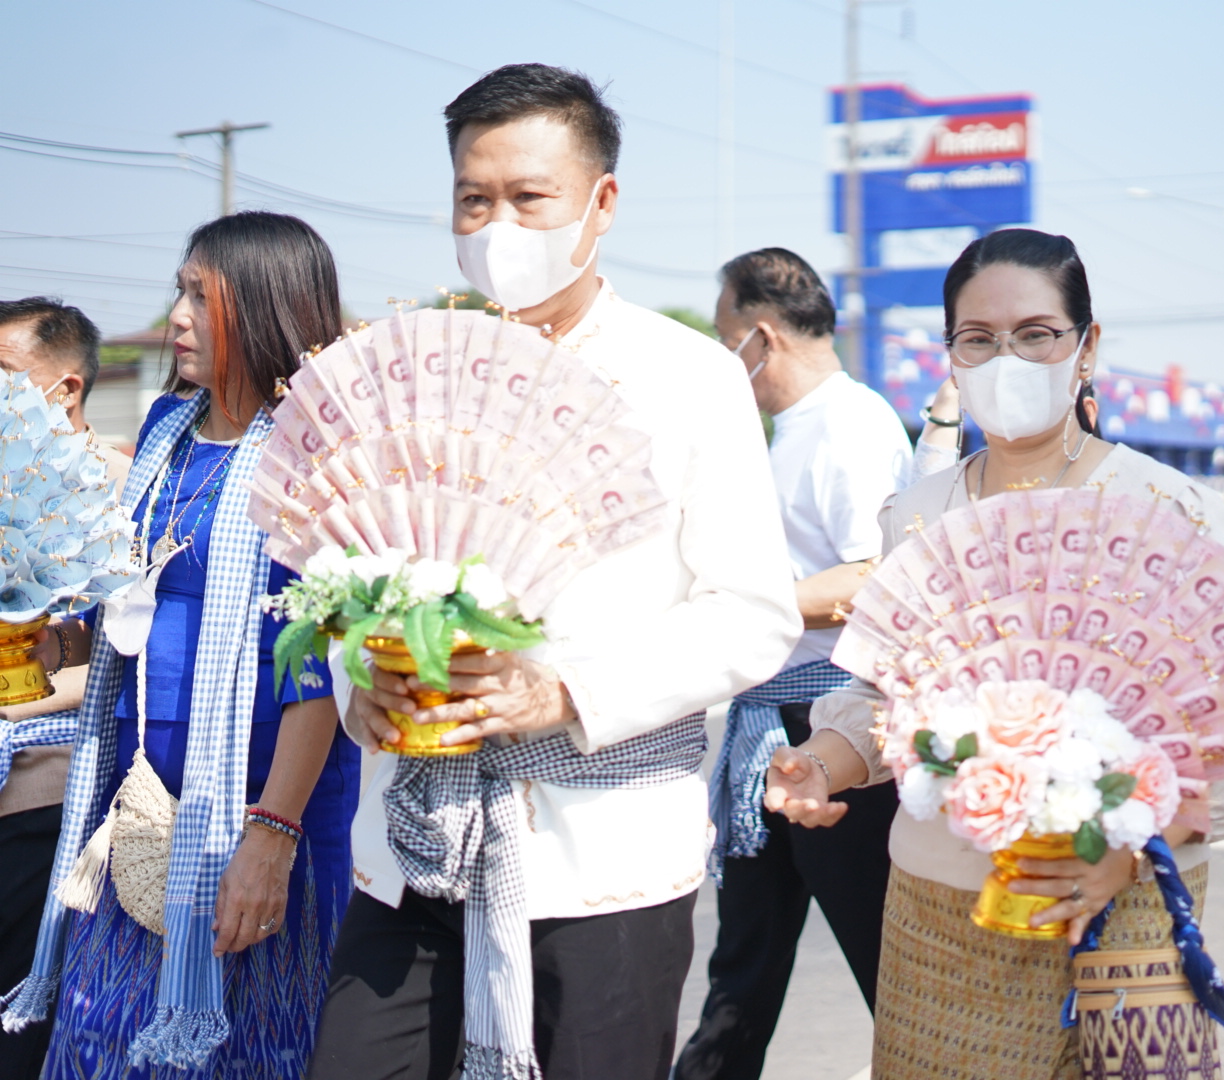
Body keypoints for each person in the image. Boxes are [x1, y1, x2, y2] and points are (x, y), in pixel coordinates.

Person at [310, 65, 800, 1080]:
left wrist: (563, 690)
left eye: (530, 199)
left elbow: (752, 615)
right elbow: (343, 575)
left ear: (600, 202)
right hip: (412, 840)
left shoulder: (687, 378)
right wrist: (360, 677)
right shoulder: (413, 371)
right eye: (473, 200)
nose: (500, 227)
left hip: (601, 864)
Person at [765, 229, 1224, 1079]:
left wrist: (1126, 847)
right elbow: (873, 700)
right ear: (952, 358)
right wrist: (821, 763)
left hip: (1130, 908)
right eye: (979, 339)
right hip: (942, 917)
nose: (1007, 358)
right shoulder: (918, 518)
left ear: (1087, 348)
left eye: (1037, 334)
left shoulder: (1167, 508)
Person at [0, 213, 358, 1079]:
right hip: (142, 816)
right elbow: (133, 596)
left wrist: (270, 839)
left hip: (262, 828)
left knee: (247, 1056)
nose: (178, 316)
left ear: (269, 306)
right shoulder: (164, 431)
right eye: (182, 291)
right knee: (96, 1050)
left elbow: (321, 668)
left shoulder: (321, 455)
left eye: (203, 295)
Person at [676, 248, 911, 1080]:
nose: (722, 357)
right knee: (740, 977)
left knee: (894, 979)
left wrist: (739, 602)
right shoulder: (794, 430)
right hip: (769, 733)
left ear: (761, 337)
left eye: (723, 336)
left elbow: (870, 578)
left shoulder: (849, 426)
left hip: (836, 734)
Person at [0, 297, 131, 1080]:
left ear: (66, 390)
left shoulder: (122, 495)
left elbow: (129, 665)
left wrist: (29, 699)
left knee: (26, 1030)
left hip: (53, 807)